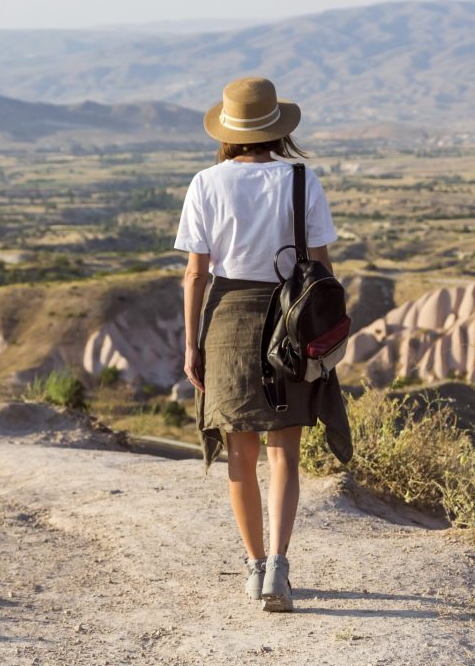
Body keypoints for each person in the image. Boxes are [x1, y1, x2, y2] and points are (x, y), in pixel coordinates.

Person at [173, 76, 352, 613]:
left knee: (240, 455)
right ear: (276, 128)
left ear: (228, 130)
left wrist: (191, 343)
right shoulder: (301, 179)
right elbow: (320, 267)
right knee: (285, 454)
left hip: (226, 323)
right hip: (290, 325)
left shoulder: (205, 182)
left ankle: (253, 568)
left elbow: (194, 274)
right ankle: (278, 567)